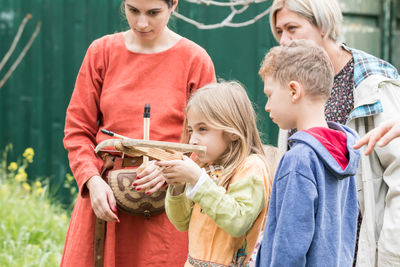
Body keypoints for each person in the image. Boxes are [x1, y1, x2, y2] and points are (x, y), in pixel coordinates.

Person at [61, 0, 216, 266]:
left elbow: (210, 140)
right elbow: (77, 130)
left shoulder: (195, 59)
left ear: (173, 5)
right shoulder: (101, 52)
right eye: (133, 10)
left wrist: (172, 169)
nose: (142, 23)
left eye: (153, 12)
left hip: (167, 204)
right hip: (106, 198)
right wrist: (91, 181)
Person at [268, 0, 400, 265]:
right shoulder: (290, 84)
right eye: (279, 32)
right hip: (315, 252)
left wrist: (390, 257)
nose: (284, 40)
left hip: (363, 250)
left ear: (323, 26)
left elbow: (398, 178)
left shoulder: (372, 81)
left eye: (292, 28)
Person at [140, 81, 272, 266]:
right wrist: (177, 186)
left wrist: (197, 179)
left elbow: (238, 221)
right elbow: (181, 223)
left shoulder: (251, 167)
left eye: (203, 129)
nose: (193, 140)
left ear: (232, 131)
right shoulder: (203, 166)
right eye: (191, 130)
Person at [255, 40, 361, 266]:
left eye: (270, 94)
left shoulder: (298, 160)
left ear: (294, 91)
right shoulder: (345, 152)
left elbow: (289, 250)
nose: (266, 105)